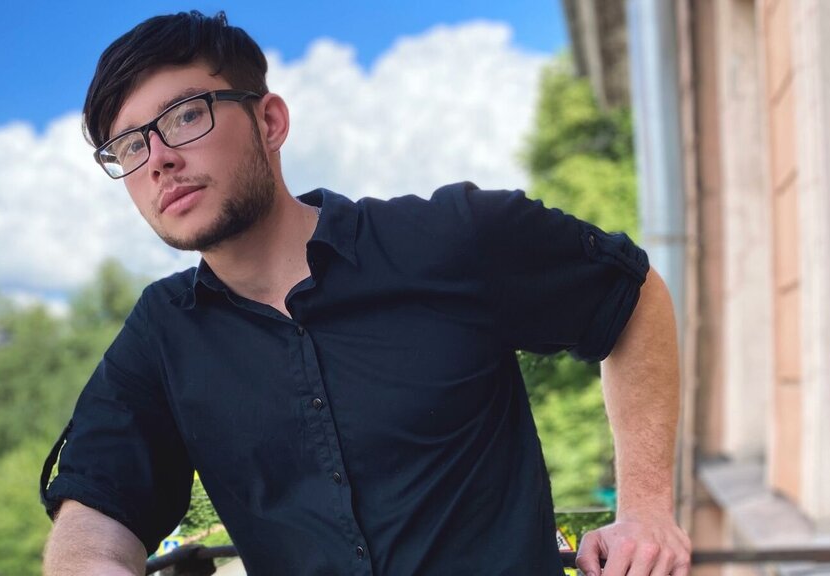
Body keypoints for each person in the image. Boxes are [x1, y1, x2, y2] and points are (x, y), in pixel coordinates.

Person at [40, 10, 691, 576]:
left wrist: (646, 510)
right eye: (129, 145)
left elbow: (630, 298)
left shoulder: (455, 238)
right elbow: (95, 509)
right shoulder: (161, 337)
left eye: (185, 115)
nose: (158, 159)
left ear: (269, 121)